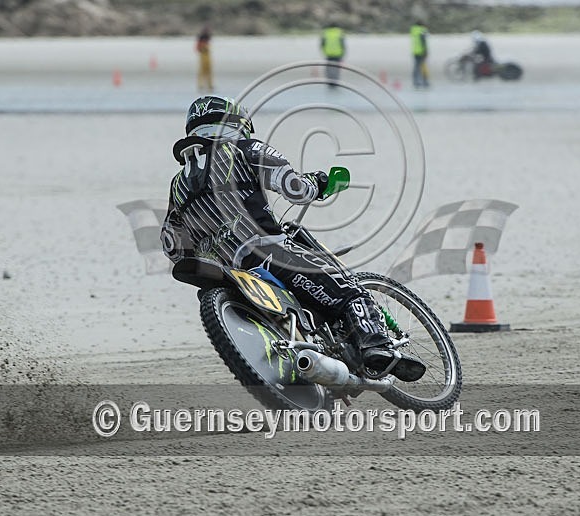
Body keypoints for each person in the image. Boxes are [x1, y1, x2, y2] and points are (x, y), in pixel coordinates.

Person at [161, 95, 426, 382]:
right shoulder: (244, 148)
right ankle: (378, 347)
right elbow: (295, 188)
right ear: (236, 121)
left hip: (229, 274)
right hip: (267, 253)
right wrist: (318, 182)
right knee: (350, 293)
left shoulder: (178, 185)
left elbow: (172, 245)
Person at [410, 22, 429, 88]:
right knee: (423, 67)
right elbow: (423, 42)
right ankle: (425, 81)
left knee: (416, 67)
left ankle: (415, 81)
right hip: (422, 52)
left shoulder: (414, 31)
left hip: (415, 52)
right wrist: (426, 51)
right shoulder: (422, 31)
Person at [195, 26, 213, 92]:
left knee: (208, 71)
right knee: (202, 71)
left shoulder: (207, 37)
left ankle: (209, 85)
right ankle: (201, 85)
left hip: (207, 55)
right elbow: (197, 48)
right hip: (203, 55)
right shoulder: (201, 37)